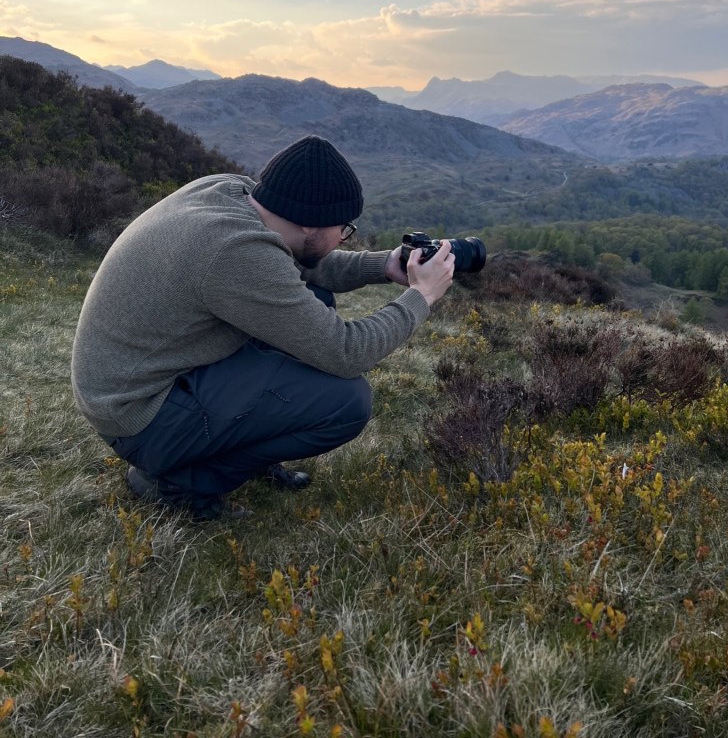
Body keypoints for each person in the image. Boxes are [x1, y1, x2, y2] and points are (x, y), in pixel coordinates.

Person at [71, 134, 455, 519]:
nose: (343, 236)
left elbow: (300, 262)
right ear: (308, 225)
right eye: (343, 228)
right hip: (139, 417)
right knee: (345, 403)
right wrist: (421, 297)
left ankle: (240, 444)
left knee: (315, 300)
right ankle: (177, 485)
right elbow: (346, 352)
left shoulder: (229, 191)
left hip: (134, 382)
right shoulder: (235, 250)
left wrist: (385, 265)